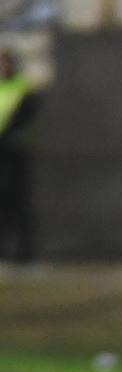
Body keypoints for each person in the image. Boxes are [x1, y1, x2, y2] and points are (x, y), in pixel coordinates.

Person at [0, 47, 40, 264]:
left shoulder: (22, 88)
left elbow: (23, 120)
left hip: (16, 154)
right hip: (2, 153)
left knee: (19, 205)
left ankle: (25, 254)